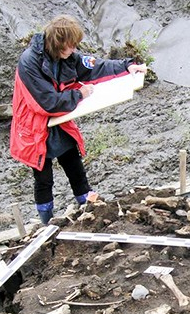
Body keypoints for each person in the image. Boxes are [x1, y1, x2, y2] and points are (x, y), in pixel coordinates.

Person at [10, 15, 147, 224]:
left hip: (61, 121)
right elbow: (48, 102)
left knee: (75, 166)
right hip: (35, 127)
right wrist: (79, 95)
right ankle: (47, 223)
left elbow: (94, 66)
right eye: (71, 45)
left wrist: (126, 67)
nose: (74, 50)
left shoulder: (68, 56)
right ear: (58, 43)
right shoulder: (29, 62)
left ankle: (88, 211)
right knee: (44, 180)